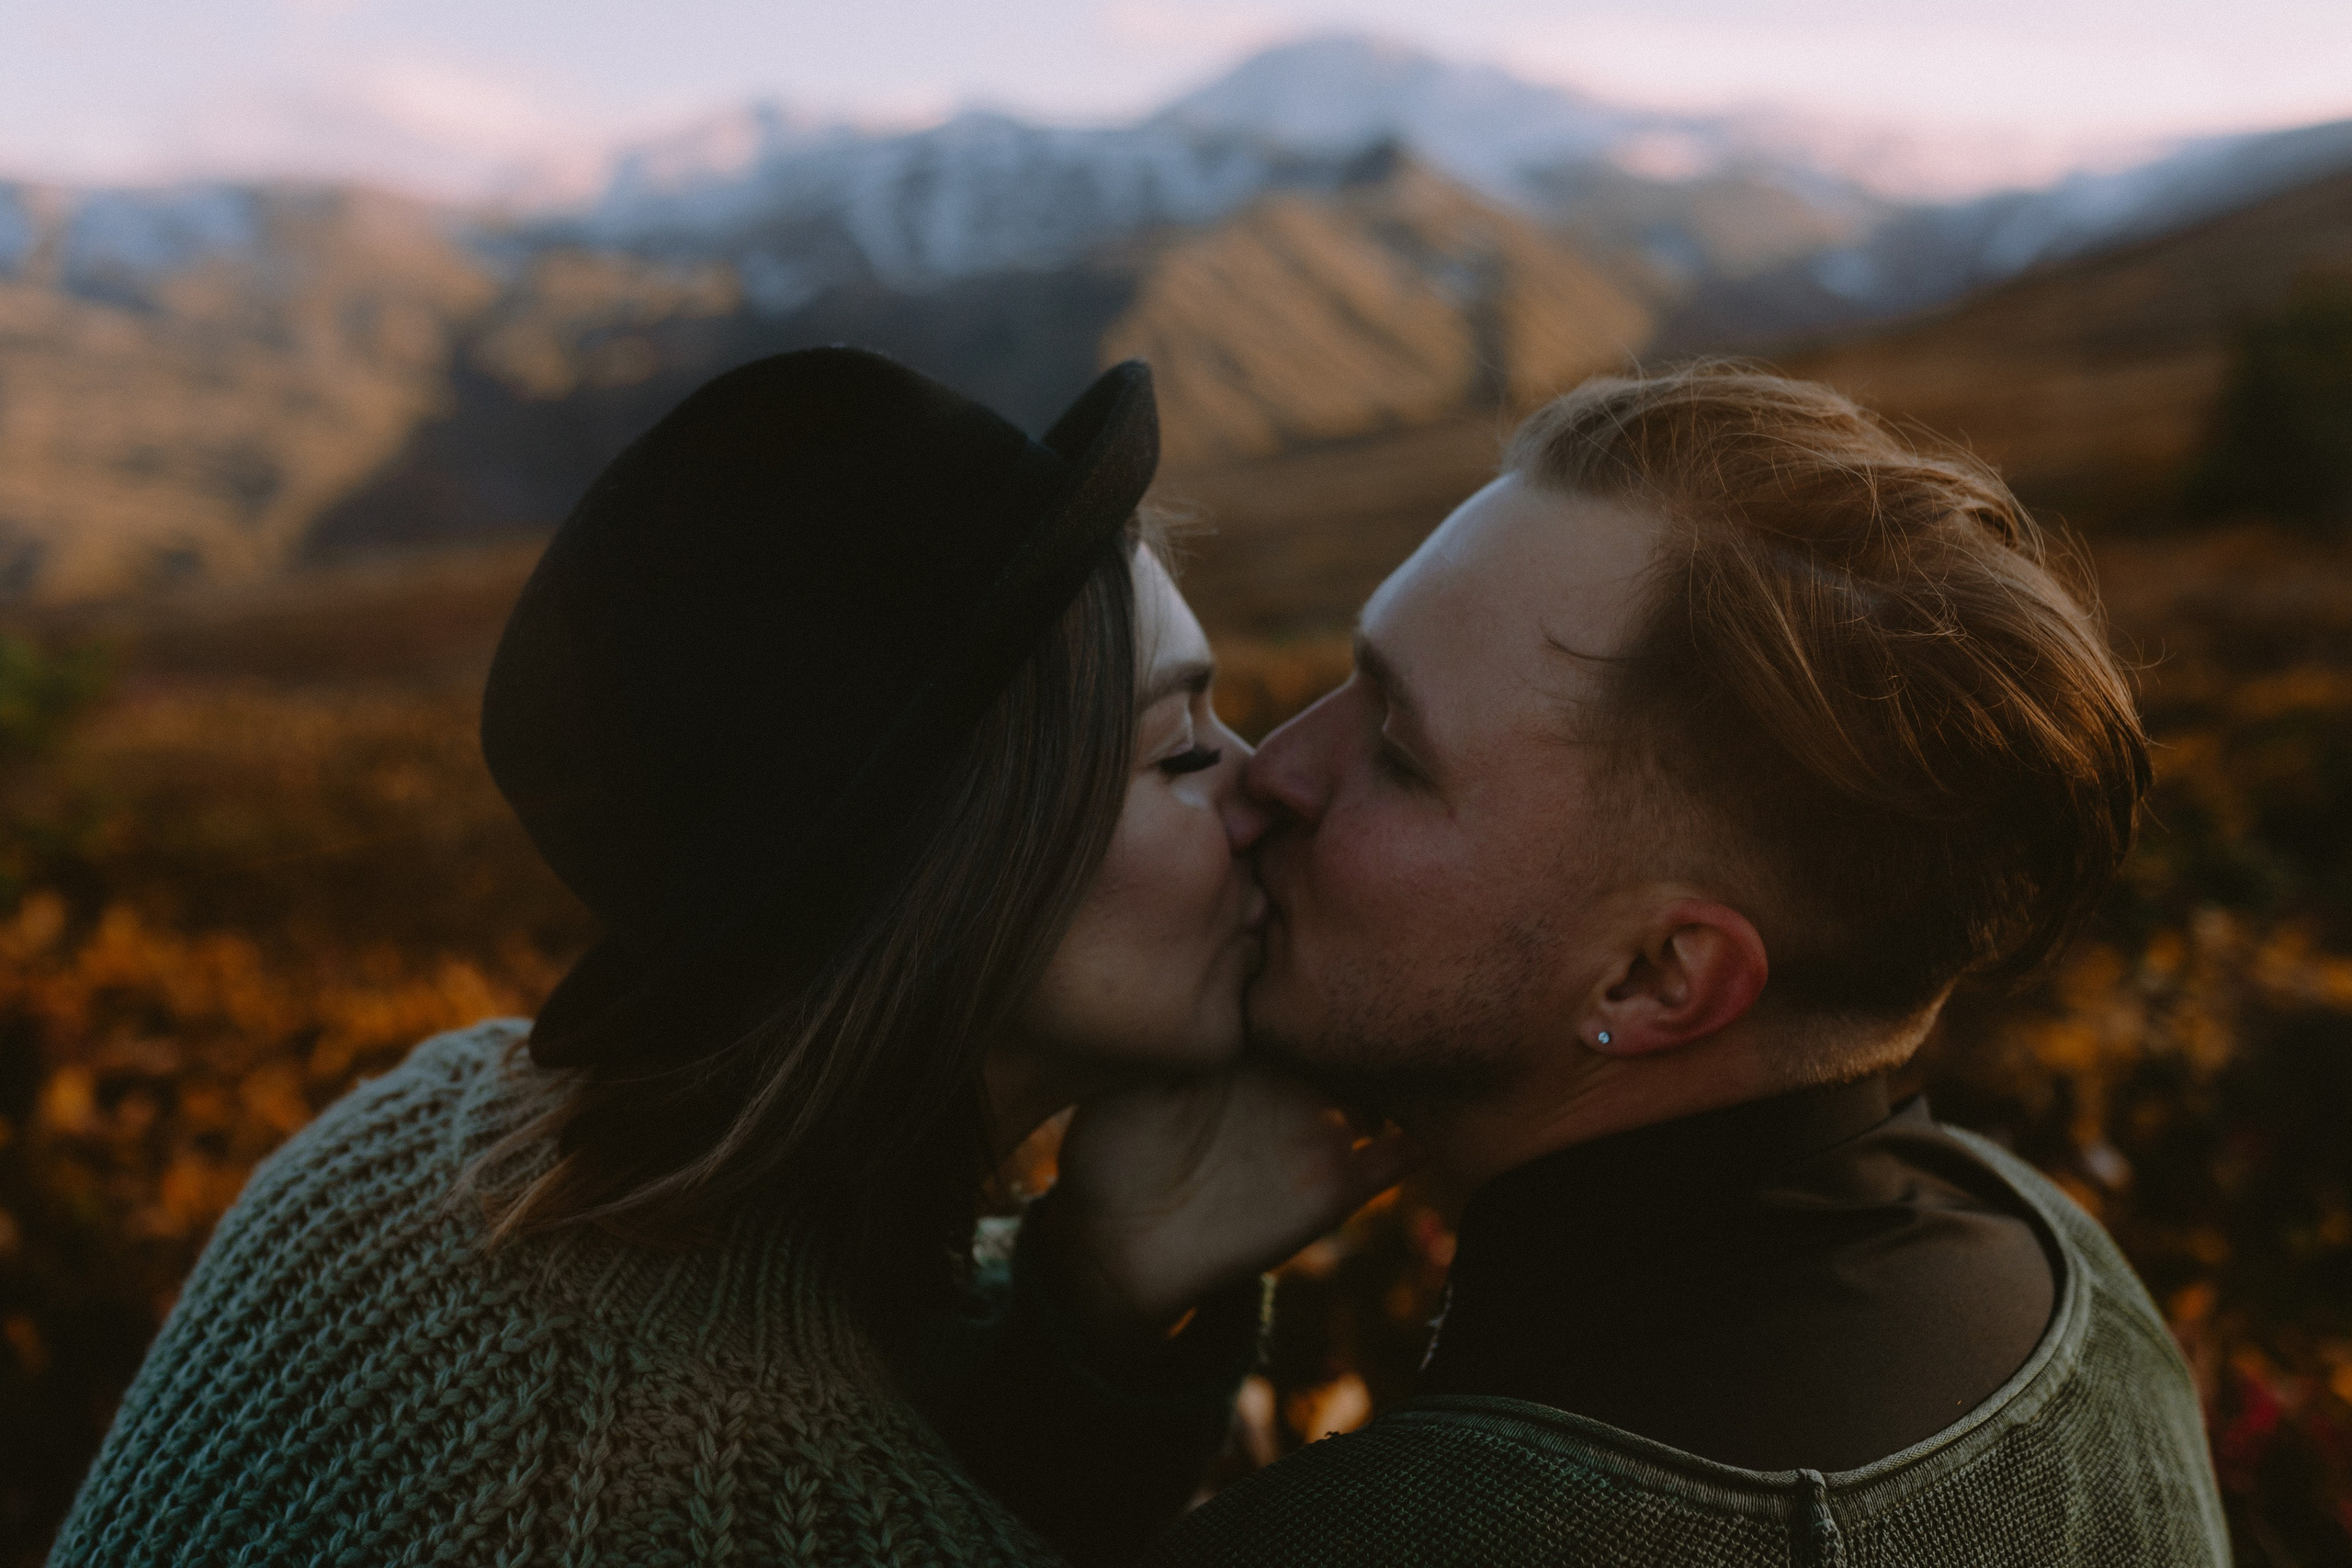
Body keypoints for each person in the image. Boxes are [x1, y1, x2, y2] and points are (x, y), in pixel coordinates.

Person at [47, 349, 1406, 1568]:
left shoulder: (417, 1148)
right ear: (950, 878)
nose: (1266, 780)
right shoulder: (794, 1507)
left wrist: (1092, 1296)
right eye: (1178, 748)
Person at [1147, 366, 2231, 1565]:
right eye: (1353, 676)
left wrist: (1077, 1339)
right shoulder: (2076, 1285)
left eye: (1399, 755)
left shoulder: (1396, 1544)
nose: (1272, 771)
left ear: (1658, 978)